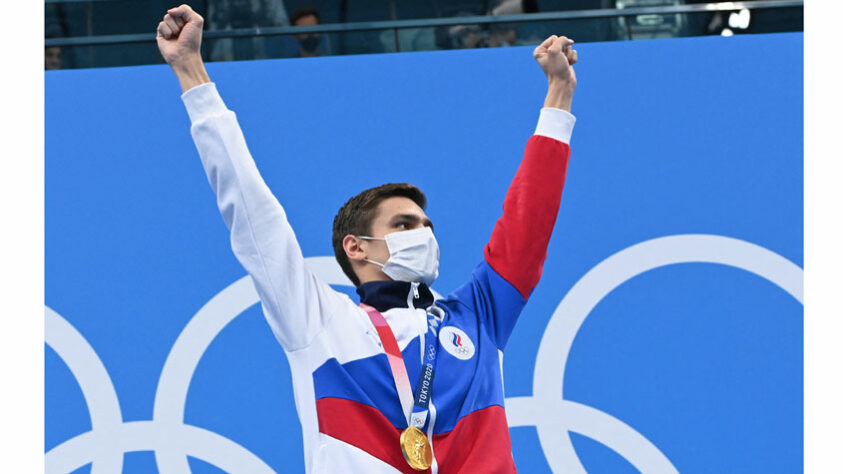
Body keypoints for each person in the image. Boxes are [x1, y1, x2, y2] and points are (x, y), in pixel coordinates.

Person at [156, 4, 577, 472]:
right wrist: (190, 71)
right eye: (403, 224)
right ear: (356, 247)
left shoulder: (478, 317)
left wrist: (558, 96)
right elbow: (251, 210)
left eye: (426, 225)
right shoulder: (319, 321)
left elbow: (529, 223)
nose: (423, 233)